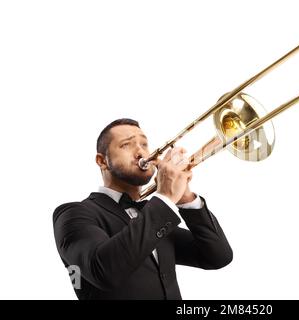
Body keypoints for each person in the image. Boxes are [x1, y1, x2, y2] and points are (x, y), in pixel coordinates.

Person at [53, 118, 233, 300]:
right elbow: (104, 271)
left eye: (144, 144)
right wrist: (165, 197)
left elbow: (217, 256)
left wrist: (186, 199)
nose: (141, 151)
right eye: (126, 145)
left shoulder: (154, 215)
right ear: (102, 161)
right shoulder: (73, 214)